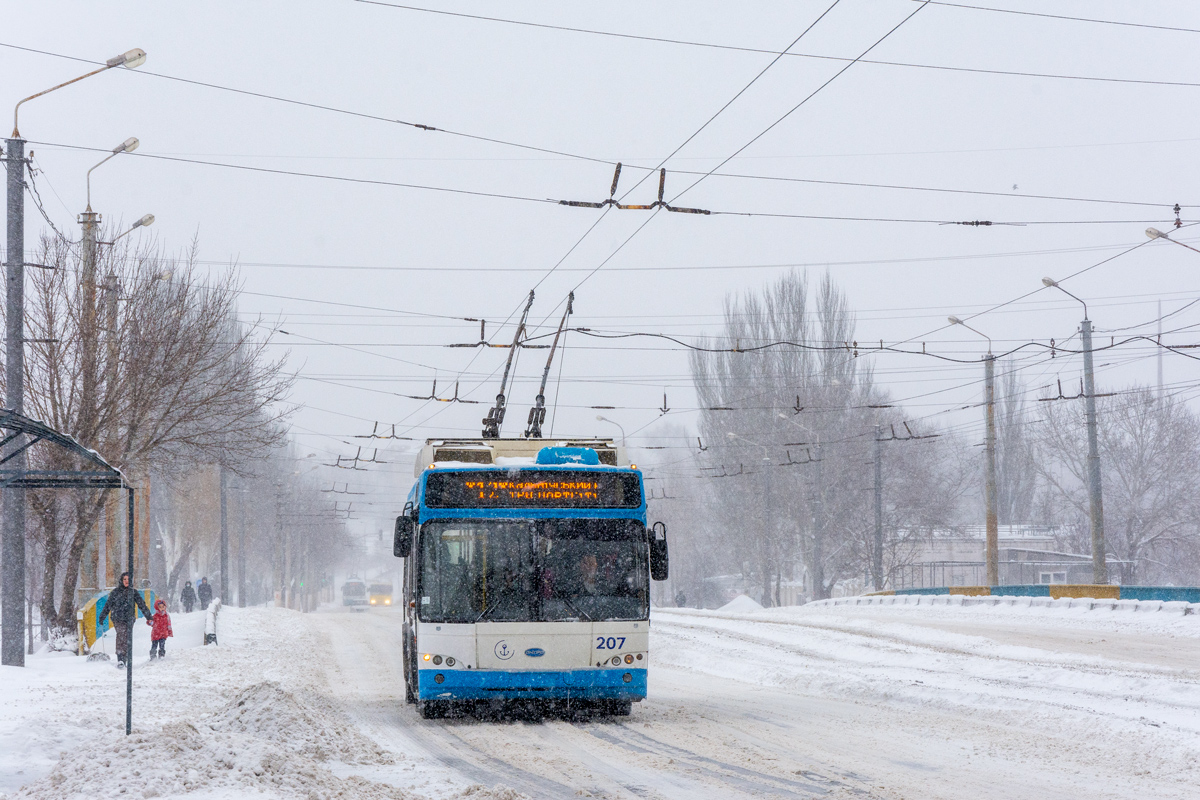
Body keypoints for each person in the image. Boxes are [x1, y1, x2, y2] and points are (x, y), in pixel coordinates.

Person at [96, 572, 152, 668]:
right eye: (124, 579)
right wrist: (102, 617)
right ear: (121, 581)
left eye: (128, 579)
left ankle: (125, 657)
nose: (126, 581)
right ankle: (120, 658)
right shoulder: (115, 592)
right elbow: (108, 605)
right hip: (118, 618)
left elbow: (142, 605)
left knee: (127, 637)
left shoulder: (133, 592)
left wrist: (149, 617)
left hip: (129, 619)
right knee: (121, 635)